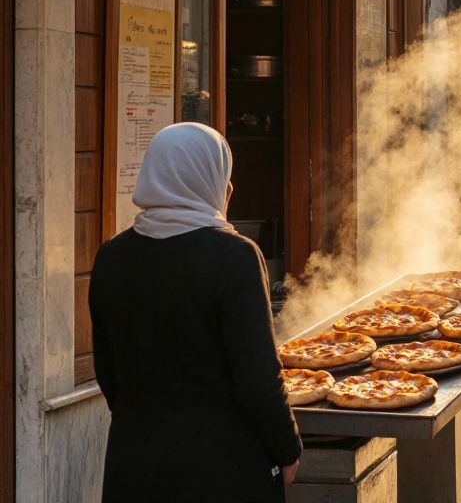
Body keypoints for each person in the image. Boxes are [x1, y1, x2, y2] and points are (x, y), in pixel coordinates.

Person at [89, 123, 302, 501]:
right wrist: (287, 449)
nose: (230, 189)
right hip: (222, 469)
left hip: (134, 466)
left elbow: (108, 372)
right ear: (210, 181)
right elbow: (258, 379)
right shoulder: (235, 257)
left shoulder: (111, 257)